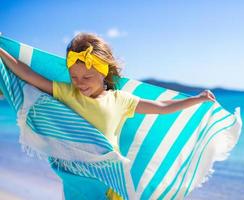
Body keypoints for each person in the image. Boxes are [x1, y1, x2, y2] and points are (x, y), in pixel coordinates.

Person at [0, 32, 216, 199]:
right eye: (74, 76)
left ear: (104, 71)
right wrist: (2, 52)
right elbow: (29, 76)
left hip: (108, 175)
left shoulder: (119, 100)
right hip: (78, 174)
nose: (79, 83)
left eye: (87, 76)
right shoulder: (68, 92)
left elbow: (161, 106)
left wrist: (195, 100)